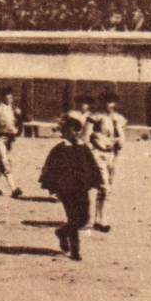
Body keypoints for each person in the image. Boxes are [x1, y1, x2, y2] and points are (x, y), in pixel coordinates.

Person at [39, 116, 105, 262]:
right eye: (71, 131)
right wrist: (54, 188)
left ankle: (62, 232)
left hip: (82, 188)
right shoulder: (59, 149)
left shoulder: (83, 147)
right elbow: (49, 169)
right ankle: (75, 251)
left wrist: (99, 182)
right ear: (65, 132)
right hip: (66, 190)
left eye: (77, 131)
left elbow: (92, 165)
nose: (75, 133)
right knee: (74, 218)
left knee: (85, 219)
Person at [88, 92, 127, 233]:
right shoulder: (95, 117)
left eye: (111, 102)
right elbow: (86, 138)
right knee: (104, 186)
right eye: (106, 101)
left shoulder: (119, 119)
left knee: (106, 187)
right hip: (97, 154)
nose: (109, 105)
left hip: (111, 155)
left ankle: (98, 220)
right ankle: (103, 220)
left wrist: (116, 158)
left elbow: (121, 142)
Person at [0, 86, 24, 197]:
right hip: (0, 138)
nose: (10, 98)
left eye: (11, 96)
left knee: (1, 163)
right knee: (5, 162)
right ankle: (14, 188)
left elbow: (20, 123)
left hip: (10, 139)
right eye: (7, 95)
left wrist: (17, 132)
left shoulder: (15, 109)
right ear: (1, 97)